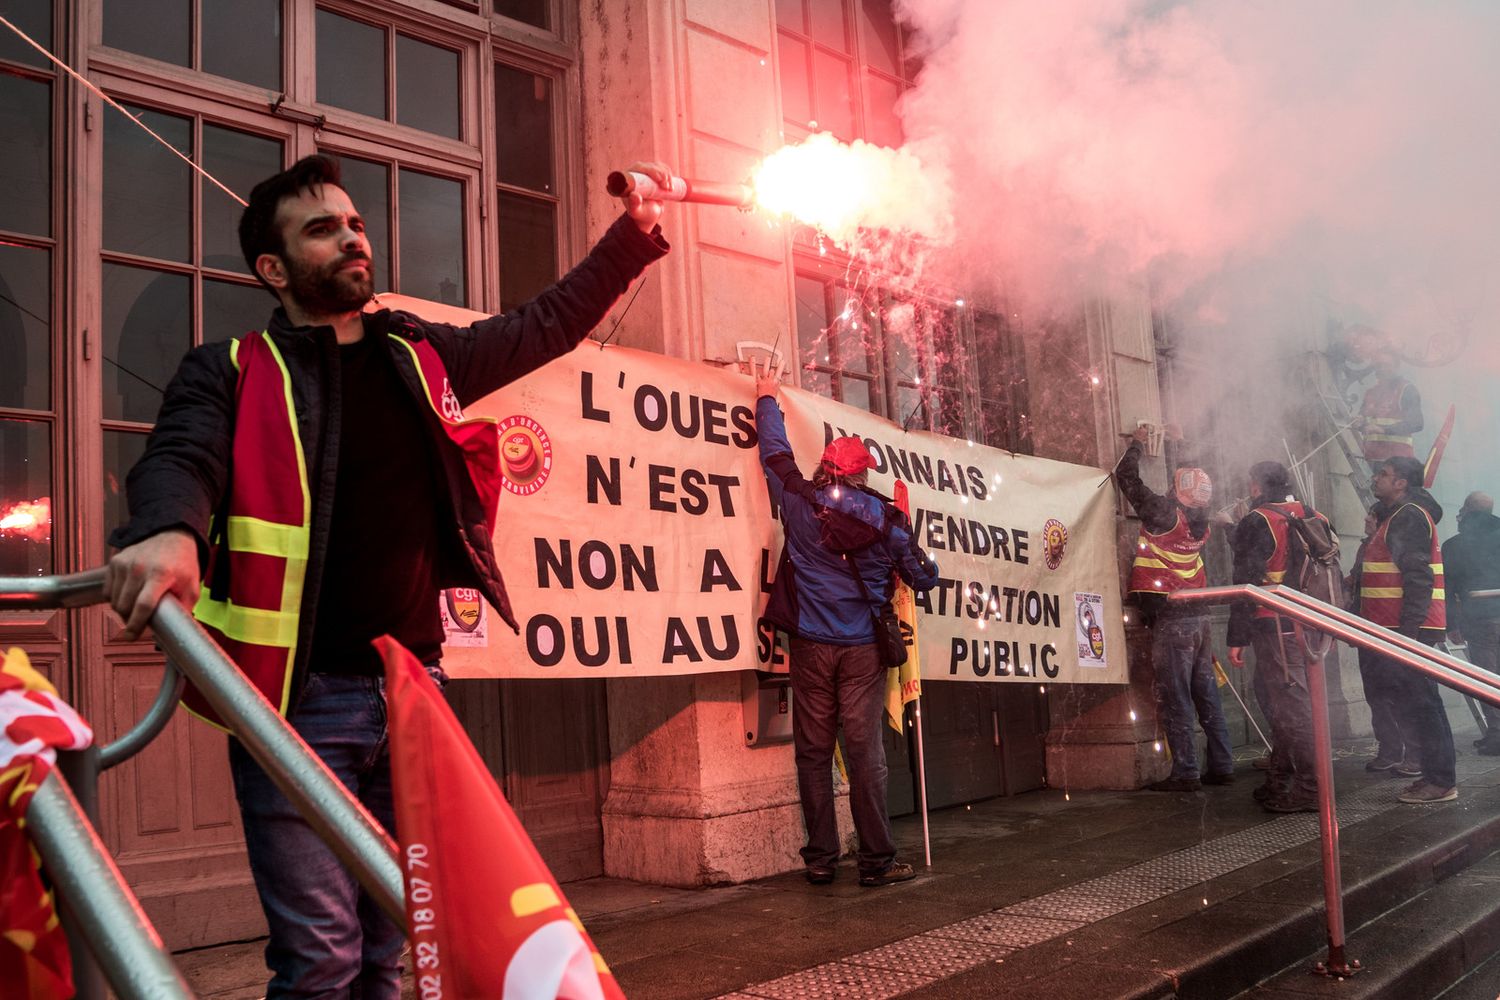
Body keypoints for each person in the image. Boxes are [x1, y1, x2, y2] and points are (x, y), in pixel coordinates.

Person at [103, 154, 672, 997]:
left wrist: (632, 239)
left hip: (412, 694)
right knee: (320, 960)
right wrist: (168, 531)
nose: (351, 238)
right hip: (296, 708)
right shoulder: (227, 367)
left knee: (391, 951)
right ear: (274, 268)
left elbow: (544, 325)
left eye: (355, 224)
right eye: (322, 230)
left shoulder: (419, 355)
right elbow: (180, 454)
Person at [753, 373, 938, 888]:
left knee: (813, 753)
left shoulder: (797, 499)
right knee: (865, 754)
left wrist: (767, 398)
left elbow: (774, 452)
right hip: (863, 652)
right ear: (862, 477)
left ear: (826, 466)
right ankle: (877, 862)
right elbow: (926, 576)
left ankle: (820, 860)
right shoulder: (890, 520)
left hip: (810, 645)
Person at [1117, 426, 1233, 792]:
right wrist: (1177, 441)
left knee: (1176, 695)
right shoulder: (1200, 519)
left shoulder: (1164, 513)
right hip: (1198, 617)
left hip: (1173, 619)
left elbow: (1126, 477)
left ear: (1176, 491)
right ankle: (1223, 763)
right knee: (1205, 693)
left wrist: (1136, 444)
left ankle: (1186, 772)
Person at [1225, 462, 1335, 813]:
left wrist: (1236, 636)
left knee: (1292, 708)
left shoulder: (1258, 520)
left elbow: (1245, 579)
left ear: (1256, 485)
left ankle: (1310, 788)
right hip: (1311, 622)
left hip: (1275, 626)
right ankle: (1280, 779)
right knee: (1282, 700)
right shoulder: (1312, 513)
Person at [1354, 456, 1456, 803]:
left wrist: (1407, 633)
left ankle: (1440, 781)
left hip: (1408, 628)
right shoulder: (1399, 516)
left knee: (1423, 705)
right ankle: (1434, 776)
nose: (1376, 478)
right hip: (1398, 627)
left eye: (1383, 474)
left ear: (1401, 483)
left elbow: (1418, 576)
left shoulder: (1407, 516)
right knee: (1418, 704)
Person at [1348, 509, 1421, 774]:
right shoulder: (1366, 546)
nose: (1366, 519)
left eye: (1371, 517)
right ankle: (1389, 750)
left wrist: (1409, 630)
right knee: (1376, 694)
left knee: (1399, 694)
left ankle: (1414, 755)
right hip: (1368, 630)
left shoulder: (1394, 542)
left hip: (1391, 630)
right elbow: (1359, 582)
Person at [1441, 492, 1500, 754]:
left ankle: (1497, 735)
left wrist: (1451, 624)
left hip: (1480, 620)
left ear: (1466, 510)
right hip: (1485, 616)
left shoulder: (1455, 545)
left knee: (1487, 677)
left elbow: (1448, 588)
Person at [1356, 353, 1423, 468]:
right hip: (1372, 460)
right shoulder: (1371, 393)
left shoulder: (1406, 389)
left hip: (1398, 462)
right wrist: (1359, 422)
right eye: (1379, 365)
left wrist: (1382, 429)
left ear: (1396, 367)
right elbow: (1365, 423)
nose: (1382, 368)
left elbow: (1416, 423)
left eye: (1387, 365)